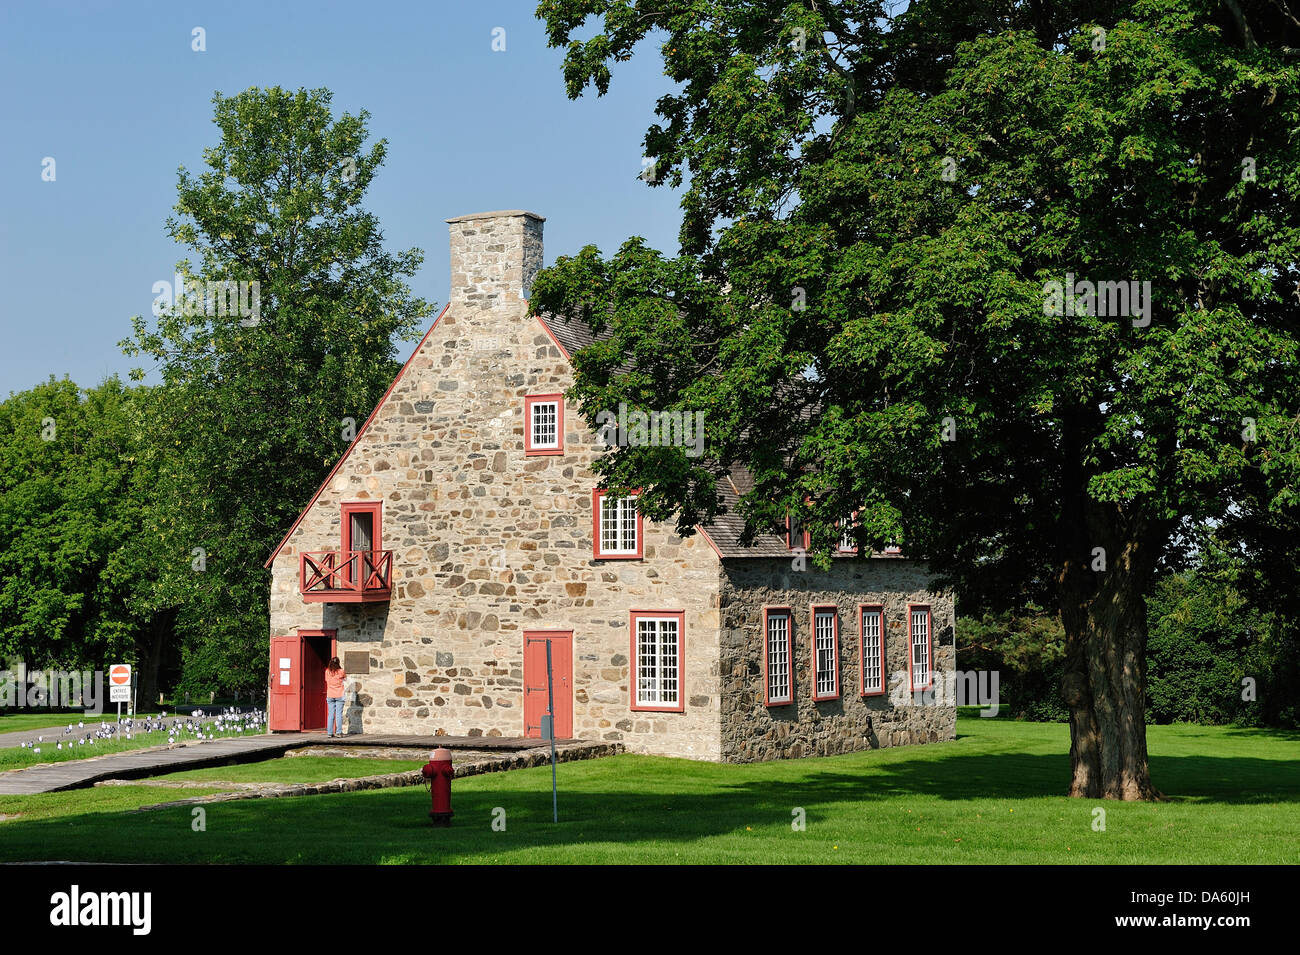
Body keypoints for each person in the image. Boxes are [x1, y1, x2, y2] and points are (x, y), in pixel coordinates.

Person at [324, 656, 347, 737]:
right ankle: (338, 732)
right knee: (338, 714)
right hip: (339, 694)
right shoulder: (341, 671)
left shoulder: (327, 671)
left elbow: (326, 680)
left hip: (330, 695)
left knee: (330, 714)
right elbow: (345, 679)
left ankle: (329, 733)